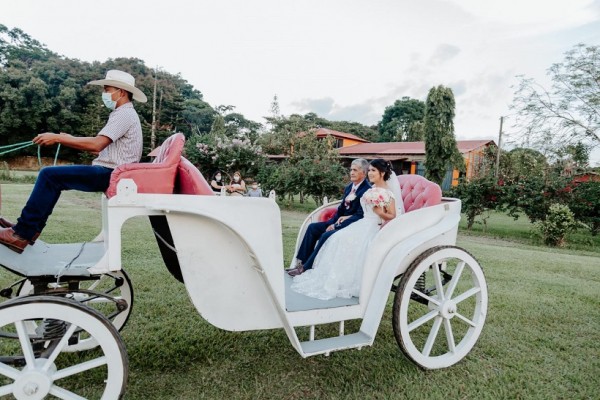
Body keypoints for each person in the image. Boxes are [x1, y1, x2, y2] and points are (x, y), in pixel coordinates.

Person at [0, 69, 146, 254]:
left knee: (49, 175)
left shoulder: (124, 114)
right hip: (112, 172)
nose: (104, 94)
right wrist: (70, 137)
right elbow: (100, 141)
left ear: (121, 92)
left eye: (107, 89)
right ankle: (28, 229)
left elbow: (97, 144)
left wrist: (58, 138)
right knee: (53, 176)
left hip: (112, 174)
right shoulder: (123, 113)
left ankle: (22, 233)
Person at [291, 159, 399, 300]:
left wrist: (379, 212)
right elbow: (353, 210)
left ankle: (328, 275)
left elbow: (392, 215)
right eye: (370, 170)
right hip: (360, 223)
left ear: (382, 173)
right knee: (334, 236)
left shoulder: (387, 193)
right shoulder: (371, 190)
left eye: (373, 170)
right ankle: (310, 267)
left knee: (336, 237)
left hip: (371, 226)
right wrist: (340, 219)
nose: (370, 173)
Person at [286, 158, 371, 277]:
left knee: (326, 235)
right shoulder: (349, 187)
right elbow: (341, 208)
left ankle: (306, 268)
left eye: (355, 170)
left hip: (351, 226)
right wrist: (332, 222)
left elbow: (360, 215)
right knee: (312, 228)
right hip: (338, 222)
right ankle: (301, 262)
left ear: (364, 173)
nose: (351, 172)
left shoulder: (367, 190)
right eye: (351, 169)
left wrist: (336, 226)